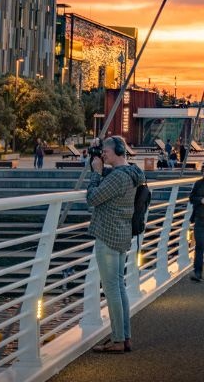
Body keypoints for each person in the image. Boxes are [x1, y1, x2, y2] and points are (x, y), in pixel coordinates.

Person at [86, 135, 145, 353]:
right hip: (122, 234)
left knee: (112, 290)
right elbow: (109, 182)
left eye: (106, 153)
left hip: (108, 235)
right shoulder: (131, 173)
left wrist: (95, 174)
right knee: (119, 288)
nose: (103, 156)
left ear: (118, 152)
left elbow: (92, 197)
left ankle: (118, 340)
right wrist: (96, 158)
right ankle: (125, 337)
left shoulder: (117, 178)